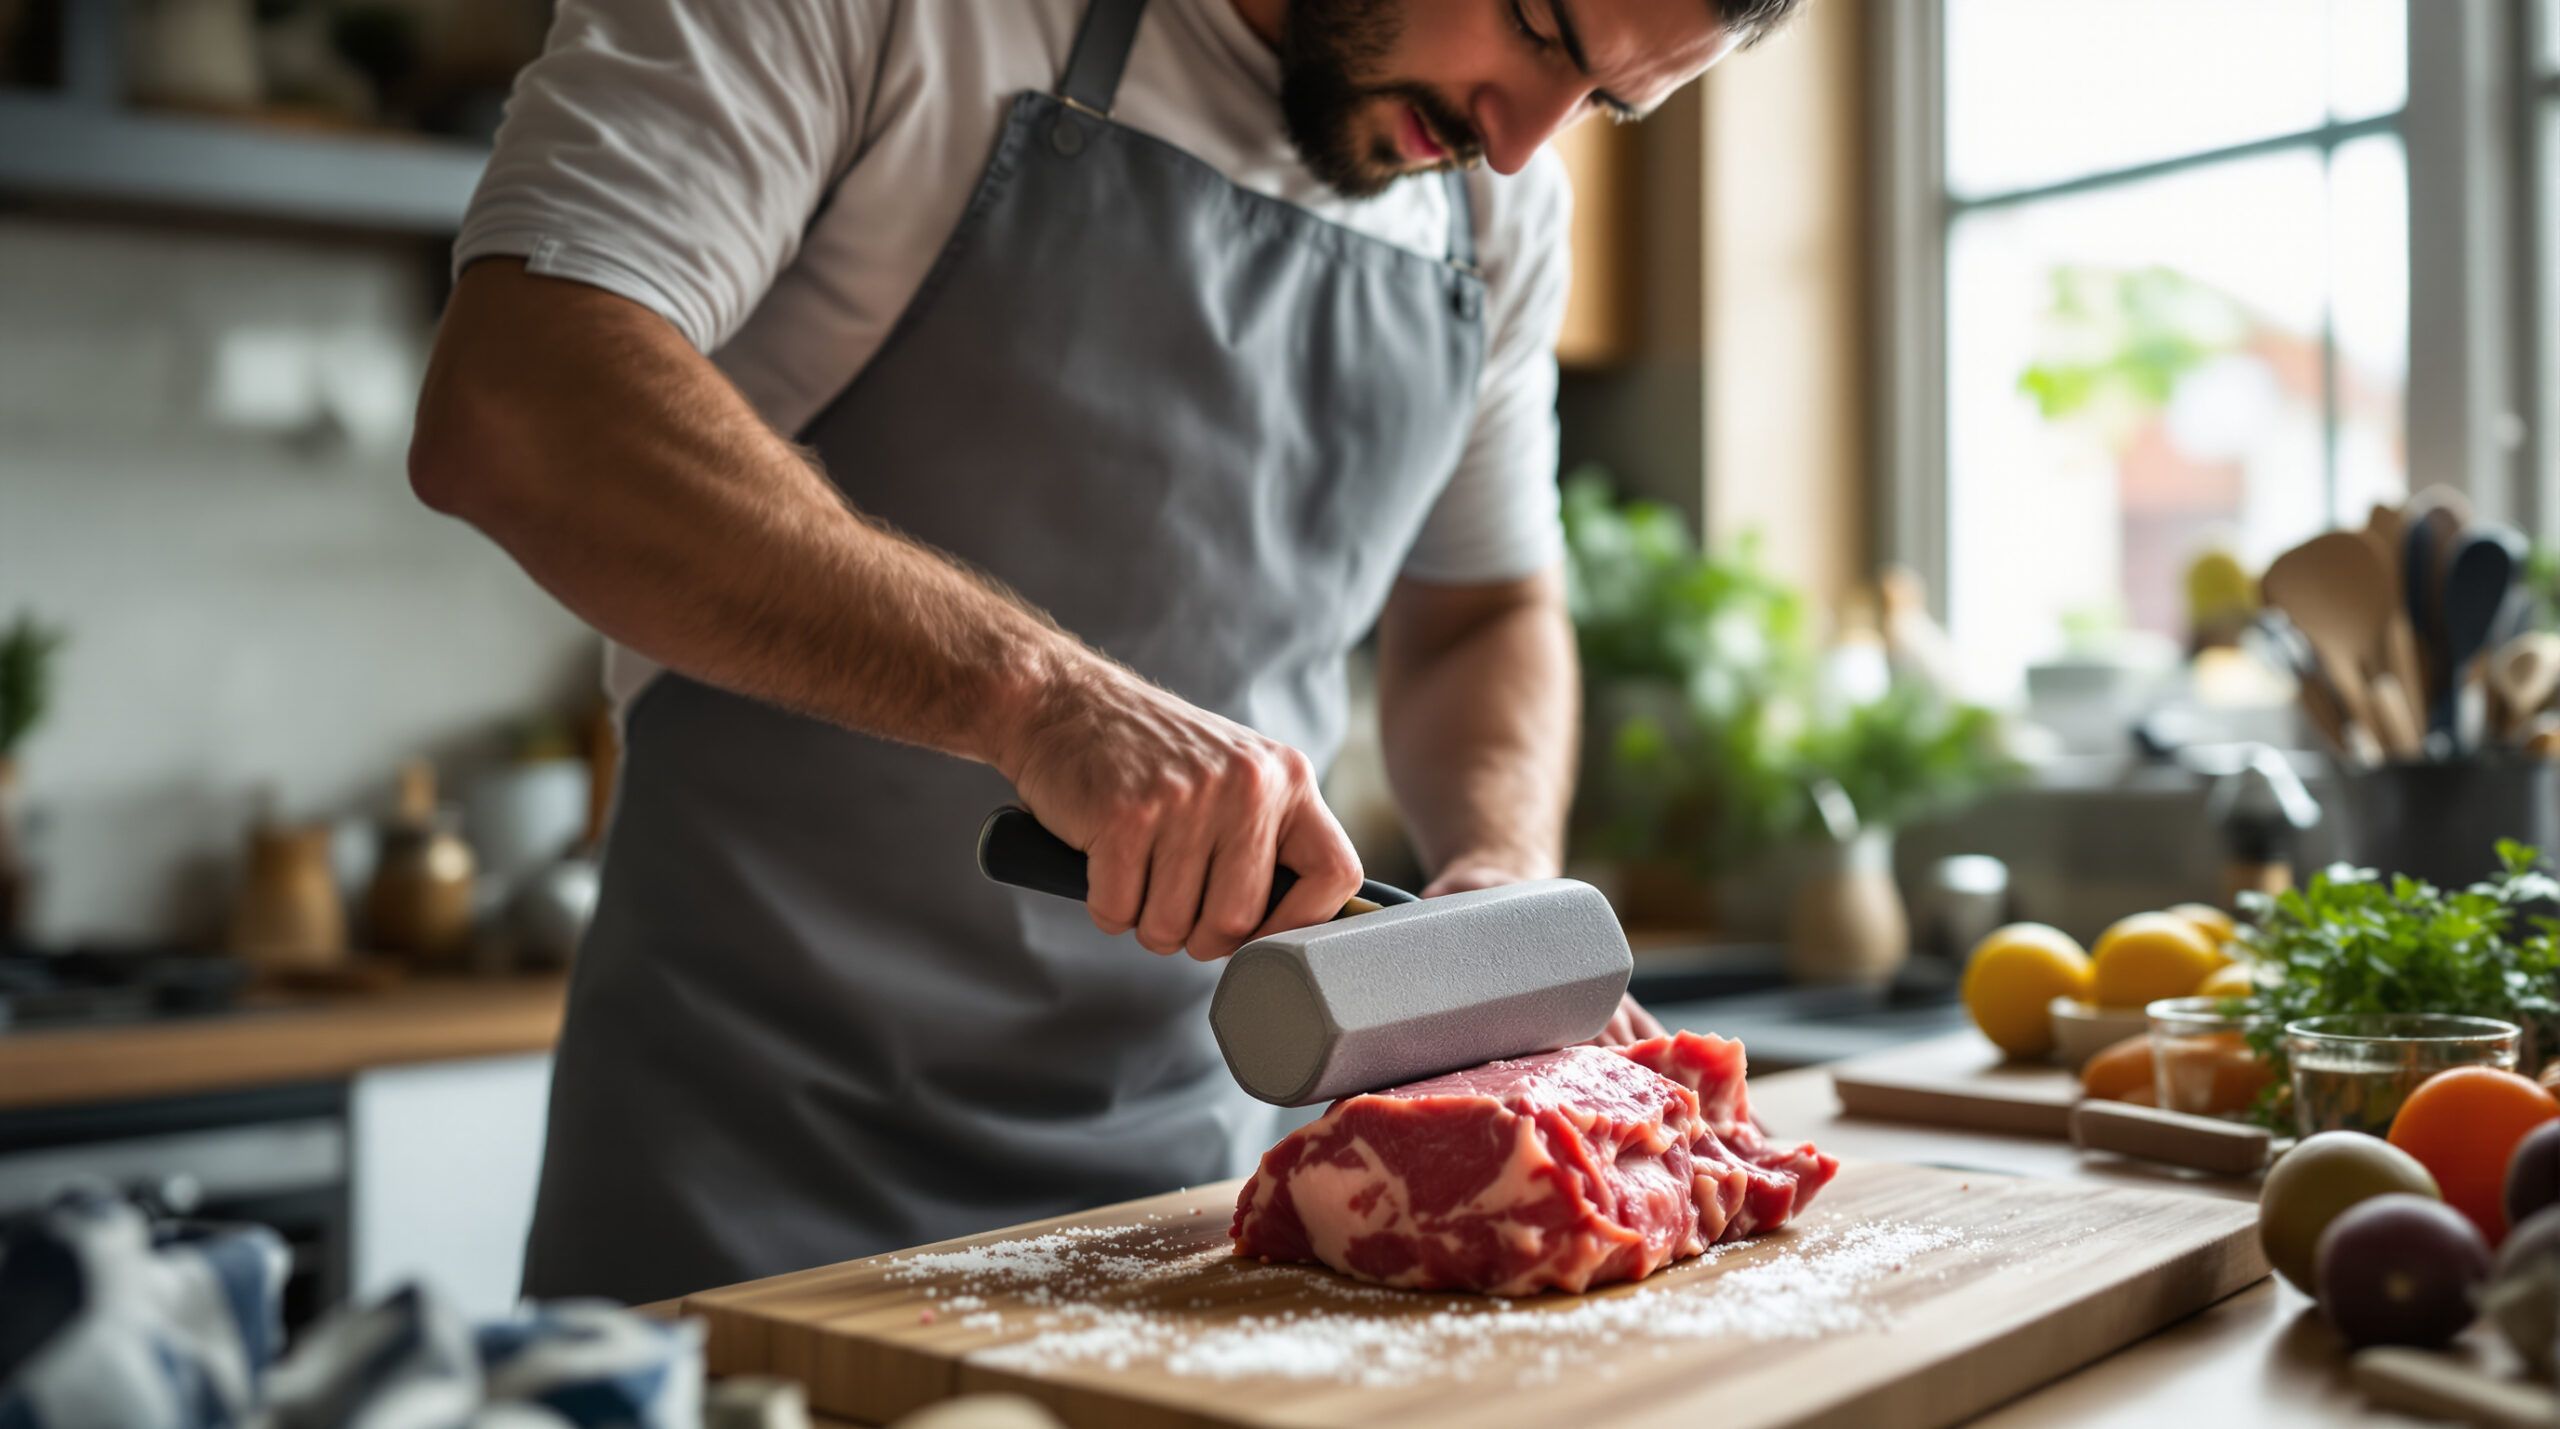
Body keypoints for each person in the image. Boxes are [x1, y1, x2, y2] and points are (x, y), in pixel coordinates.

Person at [410, 0, 1800, 1306]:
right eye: (1542, 25)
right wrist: (1038, 696)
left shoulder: (1496, 209)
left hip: (1196, 1229)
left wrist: (1494, 878)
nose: (1525, 135)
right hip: (746, 1207)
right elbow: (522, 396)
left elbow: (1484, 607)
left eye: (1606, 100)